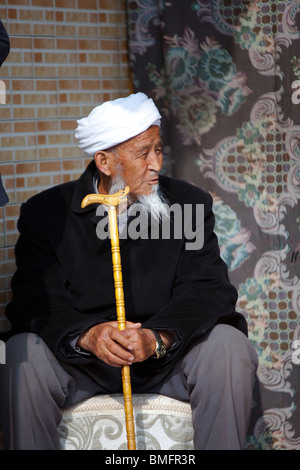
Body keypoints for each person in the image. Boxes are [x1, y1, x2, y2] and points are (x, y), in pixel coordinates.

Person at [0, 93, 258, 450]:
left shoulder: (188, 203)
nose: (156, 164)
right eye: (143, 153)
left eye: (159, 150)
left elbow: (209, 290)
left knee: (229, 346)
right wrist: (89, 337)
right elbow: (34, 304)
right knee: (19, 353)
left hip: (167, 361)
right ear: (105, 162)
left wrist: (156, 338)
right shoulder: (47, 214)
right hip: (82, 365)